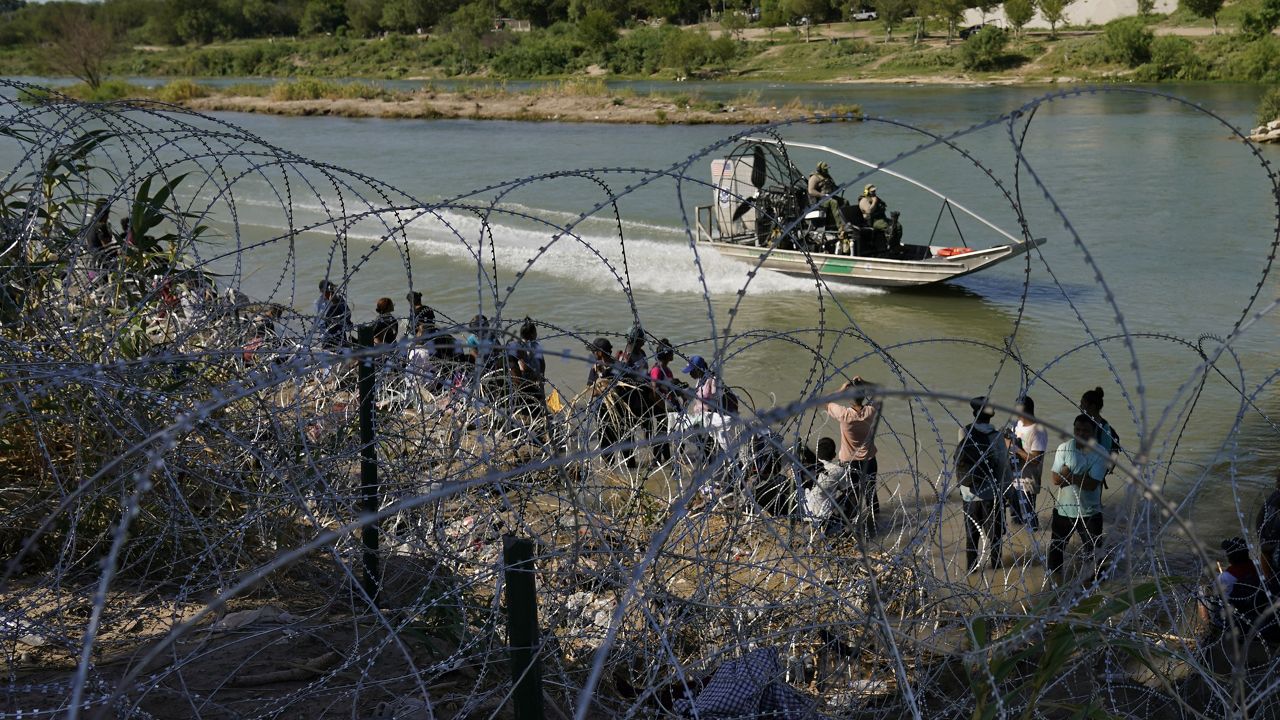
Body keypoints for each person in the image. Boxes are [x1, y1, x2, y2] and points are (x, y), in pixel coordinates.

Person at [1047, 414, 1106, 584]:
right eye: (1077, 429)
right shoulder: (1064, 447)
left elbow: (1092, 484)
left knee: (1093, 555)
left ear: (1093, 432)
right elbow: (1056, 479)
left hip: (1089, 512)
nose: (1080, 433)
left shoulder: (1101, 453)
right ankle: (1054, 587)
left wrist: (1068, 474)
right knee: (1056, 551)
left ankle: (1094, 591)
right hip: (1064, 510)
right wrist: (1080, 476)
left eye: (1085, 430)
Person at [956, 397, 1012, 573]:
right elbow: (1003, 465)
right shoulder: (996, 437)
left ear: (974, 413)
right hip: (990, 494)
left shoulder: (963, 431)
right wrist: (1007, 492)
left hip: (969, 493)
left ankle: (971, 572)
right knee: (994, 536)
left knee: (971, 536)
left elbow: (961, 461)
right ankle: (996, 570)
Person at [825, 377, 882, 533]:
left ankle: (851, 527)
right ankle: (876, 522)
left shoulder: (844, 414)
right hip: (869, 460)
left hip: (849, 462)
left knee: (852, 495)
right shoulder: (870, 411)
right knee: (871, 493)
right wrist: (864, 382)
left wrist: (842, 389)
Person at [1008, 395, 1047, 530]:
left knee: (1029, 520)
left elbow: (1036, 460)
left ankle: (1033, 545)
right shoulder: (1017, 424)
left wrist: (1015, 449)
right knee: (1015, 518)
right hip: (1013, 478)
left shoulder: (1038, 430)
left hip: (1028, 482)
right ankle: (1019, 541)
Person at [804, 437, 852, 537]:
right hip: (823, 512)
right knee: (850, 496)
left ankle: (812, 527)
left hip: (805, 509)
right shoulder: (837, 471)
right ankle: (845, 528)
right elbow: (848, 491)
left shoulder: (809, 466)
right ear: (834, 455)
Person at [647, 339, 681, 466]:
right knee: (661, 431)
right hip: (660, 405)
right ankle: (656, 459)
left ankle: (666, 457)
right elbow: (654, 388)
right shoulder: (657, 369)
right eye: (671, 352)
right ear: (666, 355)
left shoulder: (666, 369)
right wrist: (661, 404)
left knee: (666, 431)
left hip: (667, 405)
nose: (673, 354)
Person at [1079, 386, 1120, 489]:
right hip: (1084, 469)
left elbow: (1104, 454)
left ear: (1092, 406)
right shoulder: (1084, 423)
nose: (1080, 406)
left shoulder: (1104, 427)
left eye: (1083, 404)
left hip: (1095, 473)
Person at [806, 161, 845, 231]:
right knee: (834, 202)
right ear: (820, 169)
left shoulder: (827, 176)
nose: (826, 170)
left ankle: (846, 222)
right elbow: (811, 191)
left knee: (844, 201)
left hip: (829, 196)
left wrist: (839, 188)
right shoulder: (814, 178)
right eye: (825, 169)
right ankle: (840, 226)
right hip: (820, 201)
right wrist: (822, 195)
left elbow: (833, 187)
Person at [1256, 470, 1280, 576]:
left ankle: (1268, 581)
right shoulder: (1275, 497)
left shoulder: (1274, 495)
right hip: (1271, 545)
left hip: (1269, 543)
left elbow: (1259, 519)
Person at [316, 280, 351, 349]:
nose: (330, 293)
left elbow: (347, 313)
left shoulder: (339, 299)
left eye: (331, 291)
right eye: (326, 292)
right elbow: (323, 321)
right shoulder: (319, 303)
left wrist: (347, 323)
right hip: (327, 337)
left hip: (339, 333)